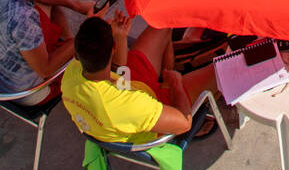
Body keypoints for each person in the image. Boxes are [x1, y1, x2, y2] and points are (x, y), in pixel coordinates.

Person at [62, 13, 219, 145]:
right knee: (221, 69)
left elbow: (118, 72)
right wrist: (175, 83)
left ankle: (168, 73)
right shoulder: (129, 105)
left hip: (129, 88)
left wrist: (121, 37)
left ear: (76, 55)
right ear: (113, 50)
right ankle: (174, 82)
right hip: (148, 114)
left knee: (164, 23)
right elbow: (184, 122)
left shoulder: (72, 73)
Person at [0, 0, 94, 104]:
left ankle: (66, 43)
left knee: (47, 0)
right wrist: (87, 30)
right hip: (27, 91)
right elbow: (45, 68)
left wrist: (77, 5)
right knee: (96, 50)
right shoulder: (23, 20)